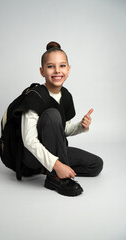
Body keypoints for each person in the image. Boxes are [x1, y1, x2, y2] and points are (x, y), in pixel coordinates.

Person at [21, 41, 103, 196]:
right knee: (52, 114)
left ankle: (47, 169)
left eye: (62, 66)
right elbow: (29, 140)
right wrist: (57, 164)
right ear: (42, 71)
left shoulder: (65, 95)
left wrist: (81, 126)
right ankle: (55, 176)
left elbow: (63, 129)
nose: (57, 71)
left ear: (69, 69)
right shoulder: (34, 96)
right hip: (32, 156)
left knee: (96, 165)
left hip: (54, 149)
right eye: (51, 66)